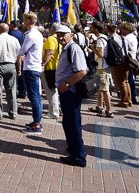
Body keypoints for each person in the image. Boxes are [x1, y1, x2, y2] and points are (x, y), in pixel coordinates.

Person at [55, 23, 89, 167]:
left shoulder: (73, 48)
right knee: (70, 122)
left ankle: (78, 157)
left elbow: (82, 71)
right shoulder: (68, 48)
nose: (61, 37)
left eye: (63, 34)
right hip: (67, 91)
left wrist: (67, 84)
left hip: (71, 91)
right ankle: (75, 148)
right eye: (58, 35)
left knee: (72, 123)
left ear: (71, 35)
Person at [19, 11, 44, 134]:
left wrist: (20, 54)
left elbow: (22, 50)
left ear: (29, 20)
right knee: (36, 96)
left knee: (33, 96)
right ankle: (37, 121)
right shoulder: (37, 34)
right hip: (34, 66)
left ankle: (37, 125)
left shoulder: (30, 35)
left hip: (31, 67)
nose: (23, 22)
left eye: (24, 20)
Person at [88, 21, 113, 118]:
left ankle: (109, 111)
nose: (90, 28)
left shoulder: (100, 40)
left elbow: (101, 54)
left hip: (102, 66)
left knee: (105, 89)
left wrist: (93, 48)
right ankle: (99, 106)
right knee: (101, 87)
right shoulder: (104, 37)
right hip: (103, 66)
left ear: (96, 28)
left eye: (91, 27)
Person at [108, 24, 131, 108]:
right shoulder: (123, 38)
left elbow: (111, 52)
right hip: (125, 60)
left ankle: (124, 101)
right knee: (126, 81)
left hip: (118, 62)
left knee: (120, 82)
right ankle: (129, 100)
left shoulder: (111, 39)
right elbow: (129, 48)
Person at [41, 23, 61, 120]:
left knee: (51, 91)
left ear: (53, 29)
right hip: (57, 67)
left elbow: (49, 52)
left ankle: (53, 112)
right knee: (55, 90)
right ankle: (57, 109)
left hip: (50, 68)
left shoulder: (51, 39)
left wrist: (43, 63)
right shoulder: (59, 38)